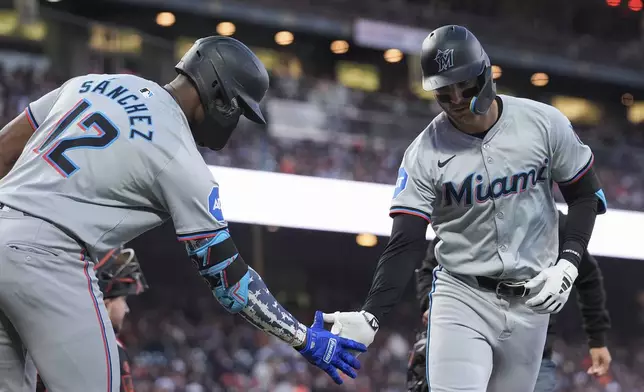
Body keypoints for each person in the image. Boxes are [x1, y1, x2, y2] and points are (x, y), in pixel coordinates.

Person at [0, 36, 365, 392]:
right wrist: (303, 338)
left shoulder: (92, 83)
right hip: (51, 259)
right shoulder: (180, 155)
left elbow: (6, 147)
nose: (235, 122)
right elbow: (231, 283)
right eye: (238, 110)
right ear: (219, 96)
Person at [321, 25, 607, 392]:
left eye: (465, 85)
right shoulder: (423, 153)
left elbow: (585, 195)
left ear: (486, 73)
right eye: (444, 91)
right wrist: (372, 314)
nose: (456, 97)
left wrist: (567, 263)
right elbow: (405, 242)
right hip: (462, 297)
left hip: (531, 301)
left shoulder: (543, 123)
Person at [408, 210, 612, 392]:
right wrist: (430, 304)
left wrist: (597, 339)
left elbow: (589, 277)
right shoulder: (470, 213)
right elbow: (431, 268)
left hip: (530, 349)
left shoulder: (555, 224)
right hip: (468, 328)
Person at [36, 247, 149, 392]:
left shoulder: (55, 339)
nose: (126, 308)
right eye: (122, 299)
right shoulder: (111, 349)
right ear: (106, 304)